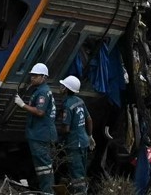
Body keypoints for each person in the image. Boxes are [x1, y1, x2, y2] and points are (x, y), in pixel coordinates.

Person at [14, 63, 57, 194]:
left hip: (41, 134)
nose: (32, 78)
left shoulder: (43, 92)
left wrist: (22, 105)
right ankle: (45, 190)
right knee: (41, 166)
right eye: (32, 75)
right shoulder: (40, 90)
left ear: (43, 77)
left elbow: (40, 112)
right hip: (39, 133)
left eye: (35, 76)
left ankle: (48, 192)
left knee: (44, 166)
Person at [58, 76, 94, 195]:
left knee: (77, 174)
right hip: (83, 141)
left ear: (67, 89)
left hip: (74, 144)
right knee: (81, 171)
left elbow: (66, 128)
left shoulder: (67, 105)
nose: (60, 87)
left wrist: (58, 135)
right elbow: (89, 120)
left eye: (63, 86)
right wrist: (90, 136)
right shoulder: (80, 101)